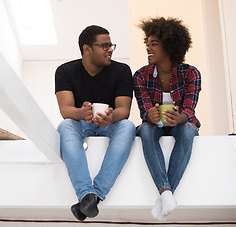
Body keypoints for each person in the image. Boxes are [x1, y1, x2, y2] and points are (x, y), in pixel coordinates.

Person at [55, 25, 136, 221]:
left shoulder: (122, 70)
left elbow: (124, 111)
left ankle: (92, 195)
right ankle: (87, 195)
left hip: (110, 124)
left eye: (111, 45)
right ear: (87, 49)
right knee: (65, 126)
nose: (110, 49)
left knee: (128, 126)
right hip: (81, 123)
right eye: (105, 46)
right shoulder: (65, 71)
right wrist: (80, 113)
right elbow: (66, 110)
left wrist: (111, 117)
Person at [133, 17, 201, 221]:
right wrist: (149, 115)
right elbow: (144, 110)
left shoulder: (191, 73)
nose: (148, 48)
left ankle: (163, 196)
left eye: (154, 44)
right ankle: (166, 193)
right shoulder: (140, 76)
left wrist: (178, 117)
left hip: (180, 124)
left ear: (170, 46)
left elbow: (189, 109)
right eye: (147, 43)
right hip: (155, 127)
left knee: (188, 128)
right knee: (145, 129)